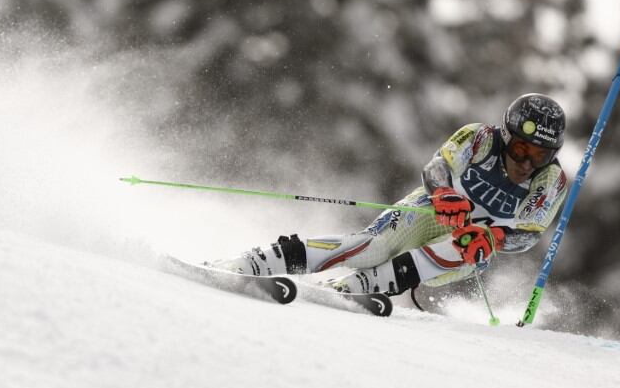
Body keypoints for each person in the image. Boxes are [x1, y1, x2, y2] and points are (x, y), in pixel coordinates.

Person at [212, 93, 571, 299]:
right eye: (522, 148)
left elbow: (528, 234)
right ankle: (261, 260)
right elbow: (436, 168)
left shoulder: (552, 181)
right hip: (429, 211)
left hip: (469, 243)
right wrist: (444, 194)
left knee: (470, 245)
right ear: (507, 136)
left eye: (539, 154)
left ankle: (360, 287)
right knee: (372, 247)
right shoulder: (480, 138)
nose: (526, 162)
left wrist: (493, 236)